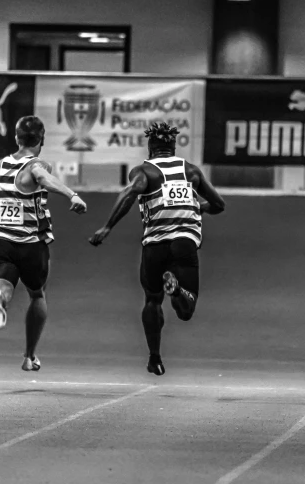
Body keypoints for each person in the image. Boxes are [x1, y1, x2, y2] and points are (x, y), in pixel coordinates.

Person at [89, 122, 225, 376]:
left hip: (154, 245)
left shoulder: (144, 171)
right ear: (173, 146)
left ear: (150, 147)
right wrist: (201, 207)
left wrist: (107, 227)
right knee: (186, 310)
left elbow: (130, 194)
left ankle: (154, 358)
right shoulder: (191, 172)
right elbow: (219, 204)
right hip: (184, 242)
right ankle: (177, 290)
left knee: (152, 300)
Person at [0, 115, 87, 371]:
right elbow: (43, 178)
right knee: (37, 294)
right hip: (32, 245)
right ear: (41, 140)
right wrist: (72, 195)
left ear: (16, 138)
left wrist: (1, 213)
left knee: (2, 287)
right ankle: (29, 356)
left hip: (1, 243)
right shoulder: (37, 165)